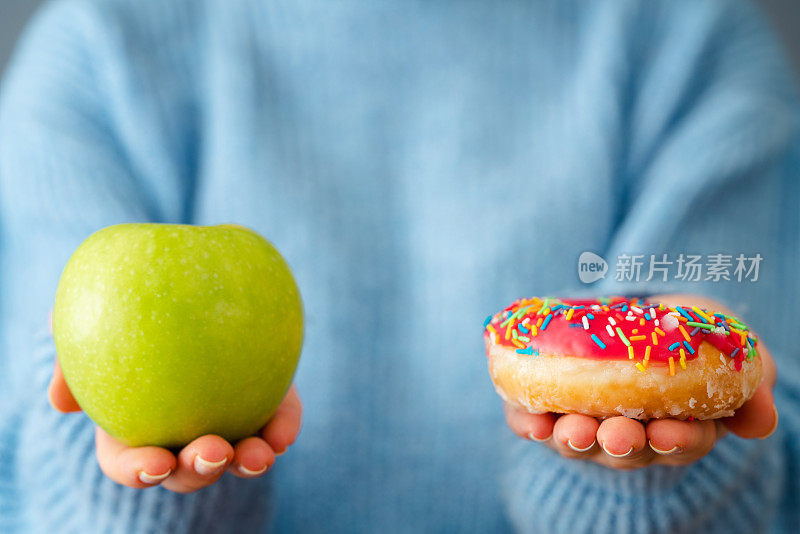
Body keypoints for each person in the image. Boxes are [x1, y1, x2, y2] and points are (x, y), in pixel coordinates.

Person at [0, 0, 798, 531]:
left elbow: (767, 446)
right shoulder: (101, 48)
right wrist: (119, 475)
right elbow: (31, 476)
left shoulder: (695, 45)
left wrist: (664, 475)